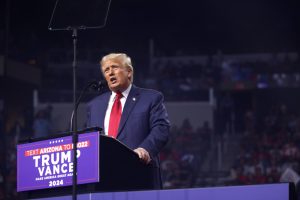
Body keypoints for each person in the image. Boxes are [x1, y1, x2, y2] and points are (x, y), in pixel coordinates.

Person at [86, 53, 170, 189]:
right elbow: (90, 140)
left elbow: (161, 127)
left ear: (129, 72)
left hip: (139, 173)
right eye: (106, 70)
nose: (110, 73)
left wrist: (146, 149)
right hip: (104, 179)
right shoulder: (94, 105)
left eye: (115, 67)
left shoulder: (150, 98)